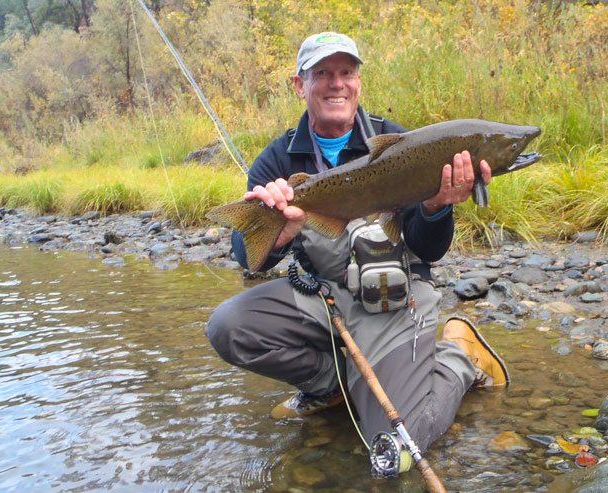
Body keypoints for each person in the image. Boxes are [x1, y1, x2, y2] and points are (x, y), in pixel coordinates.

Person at [205, 32, 509, 473]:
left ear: (359, 82)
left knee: (396, 451)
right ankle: (334, 385)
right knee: (228, 326)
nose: (336, 84)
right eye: (322, 74)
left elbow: (430, 250)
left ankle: (459, 359)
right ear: (299, 85)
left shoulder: (403, 143)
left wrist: (434, 206)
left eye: (346, 72)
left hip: (396, 300)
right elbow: (246, 257)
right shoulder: (276, 159)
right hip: (325, 300)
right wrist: (281, 232)